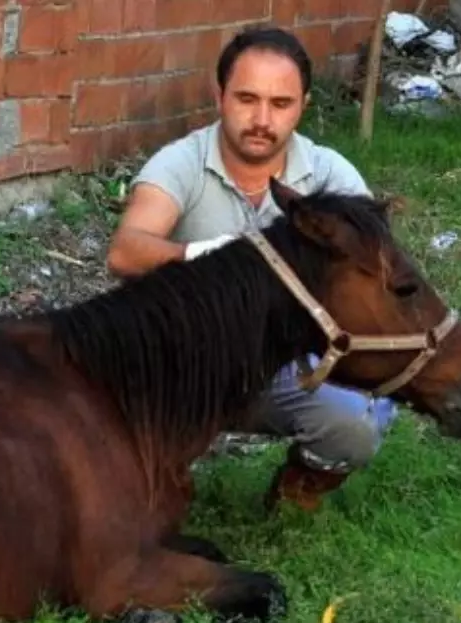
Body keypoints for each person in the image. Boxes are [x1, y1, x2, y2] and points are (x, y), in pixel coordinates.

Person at [104, 26, 397, 513]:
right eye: (246, 99)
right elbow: (125, 253)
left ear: (303, 104)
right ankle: (163, 470)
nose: (262, 119)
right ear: (218, 96)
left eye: (280, 104)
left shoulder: (330, 174)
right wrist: (211, 255)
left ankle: (298, 490)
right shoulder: (181, 162)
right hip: (188, 360)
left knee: (357, 420)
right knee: (133, 499)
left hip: (288, 364)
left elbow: (376, 276)